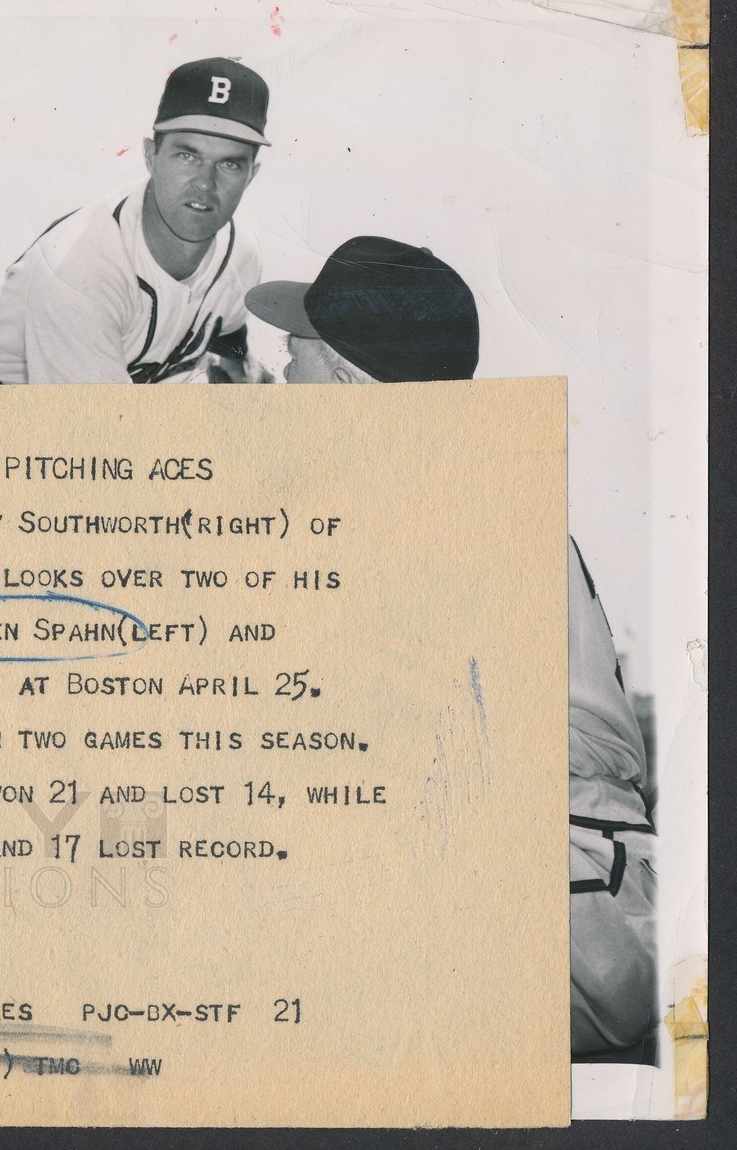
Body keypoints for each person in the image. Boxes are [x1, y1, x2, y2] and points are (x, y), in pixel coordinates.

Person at [245, 235, 658, 1058]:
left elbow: (591, 756)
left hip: (570, 901)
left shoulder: (461, 507)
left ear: (346, 377)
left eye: (297, 357)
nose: (282, 380)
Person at [0, 57, 273, 386]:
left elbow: (230, 345)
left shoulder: (241, 254)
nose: (205, 182)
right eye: (187, 156)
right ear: (150, 157)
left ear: (250, 176)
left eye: (229, 164)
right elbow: (100, 431)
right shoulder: (81, 268)